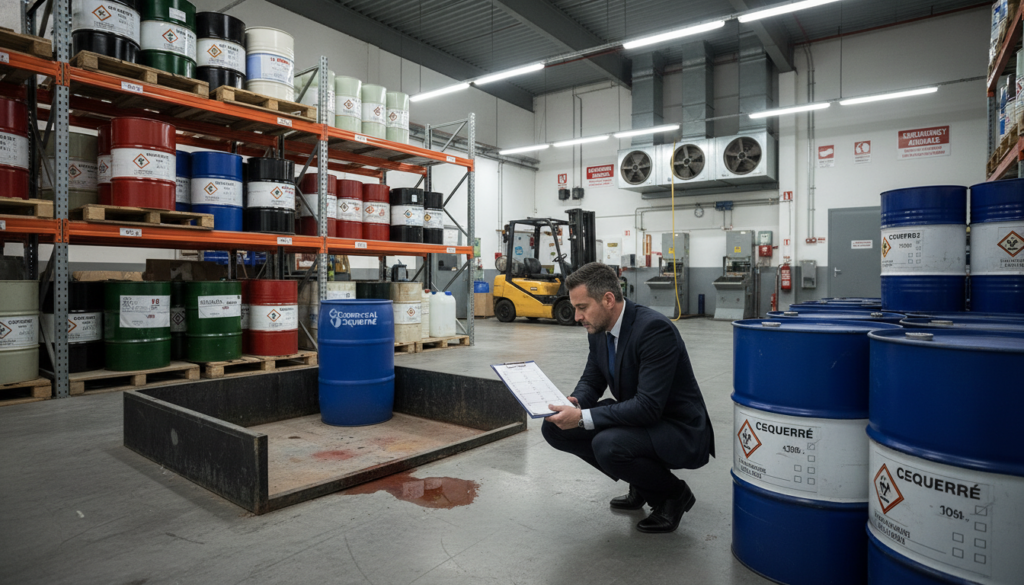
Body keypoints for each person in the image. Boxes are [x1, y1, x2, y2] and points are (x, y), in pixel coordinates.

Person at [542, 262, 715, 534]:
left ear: (608, 299)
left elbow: (647, 407)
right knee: (555, 428)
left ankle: (673, 495)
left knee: (608, 445)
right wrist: (575, 402)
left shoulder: (654, 330)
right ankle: (643, 482)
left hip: (676, 427)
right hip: (640, 418)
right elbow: (592, 378)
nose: (577, 317)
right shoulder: (599, 330)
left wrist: (583, 418)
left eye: (582, 307)